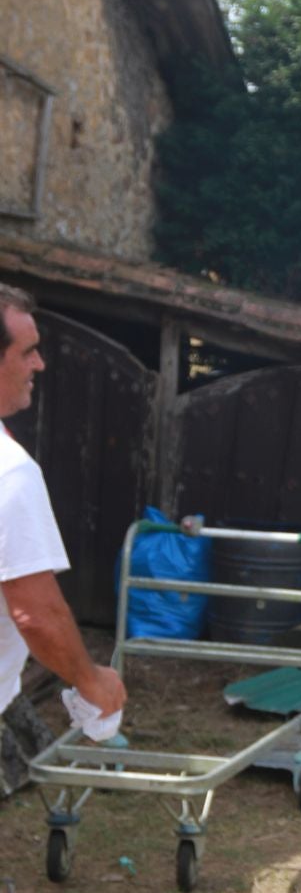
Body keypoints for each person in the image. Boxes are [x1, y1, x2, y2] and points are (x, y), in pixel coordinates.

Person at [0, 284, 126, 788]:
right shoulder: (9, 472)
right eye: (27, 351)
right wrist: (92, 682)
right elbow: (36, 614)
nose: (40, 364)